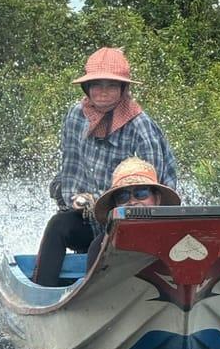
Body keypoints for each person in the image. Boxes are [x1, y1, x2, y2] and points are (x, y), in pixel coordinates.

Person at [33, 47, 178, 286]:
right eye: (96, 85)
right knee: (58, 226)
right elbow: (71, 167)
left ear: (123, 89)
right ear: (87, 88)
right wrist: (76, 199)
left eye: (111, 85)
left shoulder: (140, 125)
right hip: (92, 213)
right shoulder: (76, 115)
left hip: (133, 219)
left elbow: (156, 186)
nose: (102, 92)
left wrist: (120, 210)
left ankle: (95, 301)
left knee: (98, 249)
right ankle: (42, 294)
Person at [85, 157, 181, 270]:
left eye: (141, 193)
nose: (132, 202)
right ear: (116, 204)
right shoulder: (101, 246)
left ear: (157, 199)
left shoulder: (175, 239)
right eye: (123, 197)